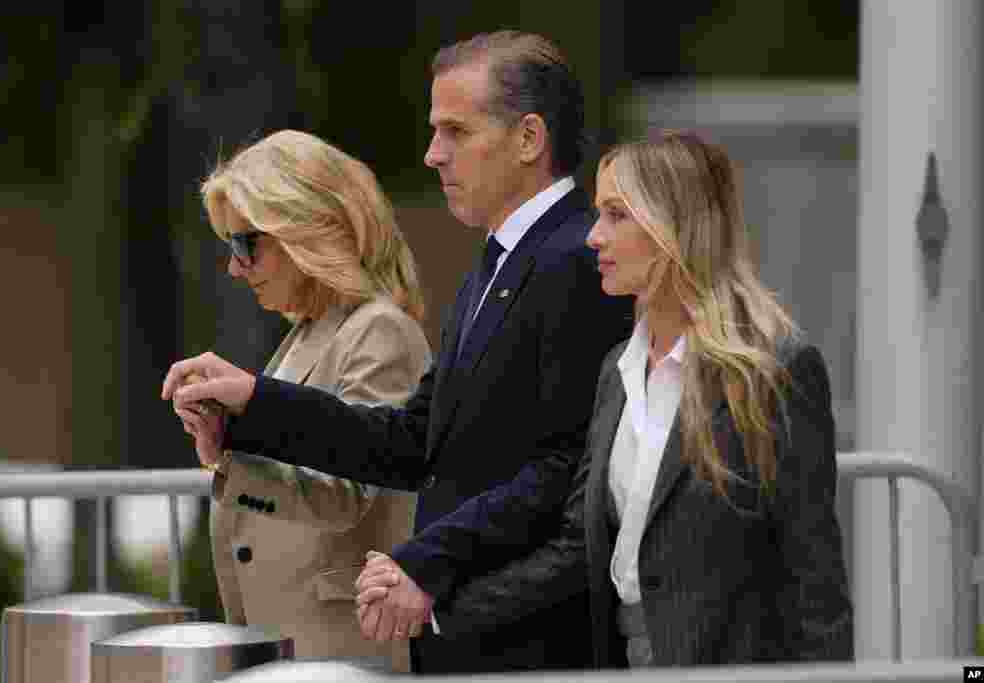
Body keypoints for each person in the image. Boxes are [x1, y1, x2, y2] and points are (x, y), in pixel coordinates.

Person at [164, 31, 634, 674]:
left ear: (529, 138)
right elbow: (412, 441)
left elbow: (561, 469)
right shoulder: (499, 264)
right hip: (468, 633)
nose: (432, 154)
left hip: (526, 642)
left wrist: (426, 563)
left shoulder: (577, 259)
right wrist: (254, 402)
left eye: (455, 132)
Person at [359, 131, 854, 668]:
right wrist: (435, 607)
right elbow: (578, 550)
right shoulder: (617, 373)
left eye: (617, 215)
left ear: (676, 227)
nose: (594, 236)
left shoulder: (775, 368)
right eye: (598, 214)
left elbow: (815, 580)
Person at [175, 129, 432, 673]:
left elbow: (346, 494)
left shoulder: (379, 330)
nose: (234, 267)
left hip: (341, 648)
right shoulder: (311, 331)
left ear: (309, 232)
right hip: (296, 643)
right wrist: (225, 446)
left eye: (245, 244)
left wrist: (236, 463)